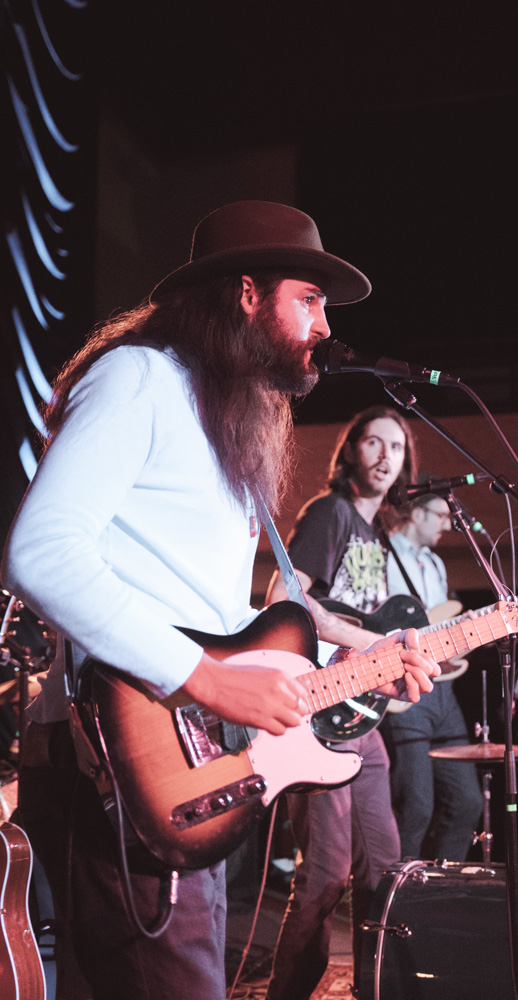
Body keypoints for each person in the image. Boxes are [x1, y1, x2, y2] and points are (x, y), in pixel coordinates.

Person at [0, 202, 438, 1000]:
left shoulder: (225, 416)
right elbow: (40, 552)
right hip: (121, 756)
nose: (322, 322)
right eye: (308, 298)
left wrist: (345, 662)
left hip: (190, 762)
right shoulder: (139, 378)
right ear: (246, 294)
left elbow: (218, 621)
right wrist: (201, 678)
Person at [265, 405, 428, 1000]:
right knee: (325, 877)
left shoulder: (377, 535)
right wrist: (367, 644)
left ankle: (378, 987)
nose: (387, 457)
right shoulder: (329, 514)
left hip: (364, 717)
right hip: (319, 715)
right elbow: (283, 600)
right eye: (374, 443)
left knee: (386, 873)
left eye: (398, 447)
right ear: (350, 451)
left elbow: (374, 621)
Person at [382, 492, 484, 860]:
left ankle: (441, 891)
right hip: (405, 686)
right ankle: (397, 897)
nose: (446, 523)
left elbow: (438, 628)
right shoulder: (382, 553)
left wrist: (468, 631)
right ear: (417, 513)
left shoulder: (436, 565)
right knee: (416, 807)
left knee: (468, 802)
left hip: (443, 691)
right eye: (440, 515)